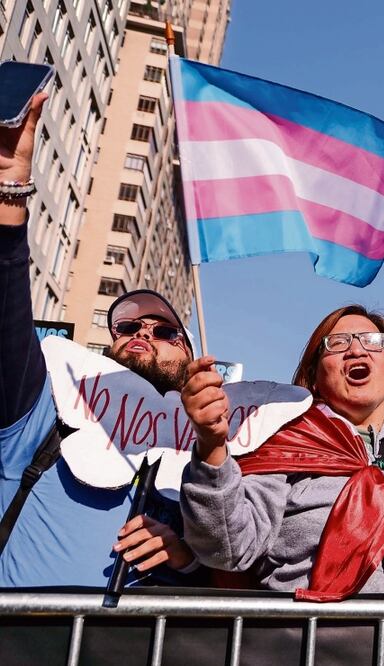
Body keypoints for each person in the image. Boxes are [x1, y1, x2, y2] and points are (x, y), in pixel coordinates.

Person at [181, 305, 384, 615]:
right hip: (303, 644)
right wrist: (211, 447)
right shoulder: (280, 441)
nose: (357, 351)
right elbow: (227, 549)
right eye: (337, 343)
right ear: (315, 376)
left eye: (373, 342)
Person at [0, 93, 195, 586]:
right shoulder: (46, 407)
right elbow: (6, 306)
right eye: (128, 327)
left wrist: (187, 554)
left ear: (192, 359)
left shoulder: (206, 459)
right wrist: (9, 189)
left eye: (164, 330)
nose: (142, 334)